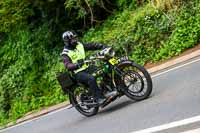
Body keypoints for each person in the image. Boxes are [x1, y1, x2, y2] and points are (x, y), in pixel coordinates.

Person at [61, 31, 108, 104]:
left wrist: (101, 46)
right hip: (77, 73)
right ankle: (98, 98)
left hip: (86, 67)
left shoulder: (79, 45)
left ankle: (106, 89)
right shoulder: (65, 53)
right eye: (72, 39)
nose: (75, 40)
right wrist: (76, 65)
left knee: (104, 70)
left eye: (75, 38)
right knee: (91, 79)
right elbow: (67, 65)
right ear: (67, 41)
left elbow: (91, 45)